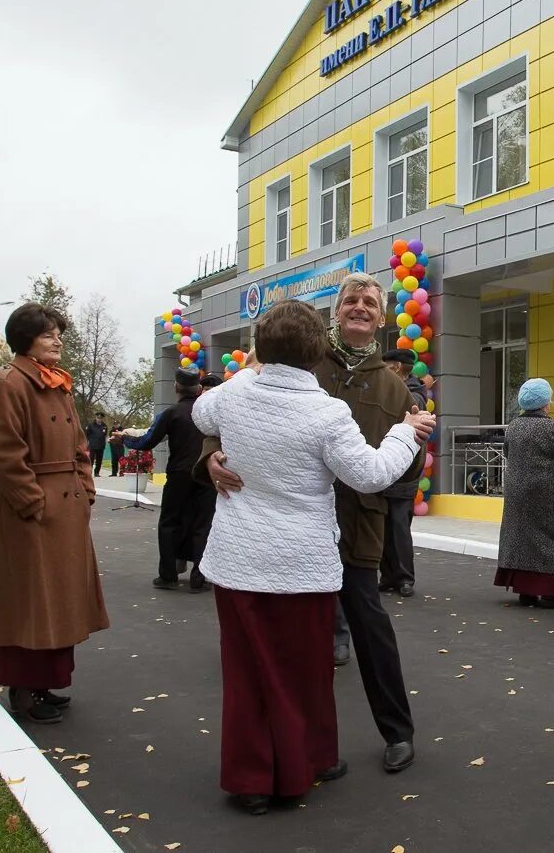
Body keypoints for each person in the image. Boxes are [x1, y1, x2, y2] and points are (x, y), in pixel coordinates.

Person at [192, 300, 433, 814]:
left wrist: (231, 413)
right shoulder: (325, 412)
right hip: (300, 562)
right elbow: (369, 474)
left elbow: (200, 410)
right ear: (317, 349)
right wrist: (404, 433)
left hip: (237, 558)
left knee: (246, 673)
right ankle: (304, 762)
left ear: (261, 347)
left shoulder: (234, 395)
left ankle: (253, 779)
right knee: (303, 671)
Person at [0, 303, 109, 725]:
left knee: (57, 603)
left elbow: (79, 445)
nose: (58, 340)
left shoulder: (57, 383)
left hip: (65, 508)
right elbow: (2, 449)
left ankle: (46, 682)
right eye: (49, 334)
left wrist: (85, 489)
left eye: (58, 333)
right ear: (26, 339)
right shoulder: (9, 382)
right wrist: (32, 501)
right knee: (30, 601)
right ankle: (23, 690)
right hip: (30, 513)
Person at [124, 370, 215, 592]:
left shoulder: (172, 413)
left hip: (179, 474)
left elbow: (147, 441)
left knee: (169, 523)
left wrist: (125, 439)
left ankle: (168, 574)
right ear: (199, 389)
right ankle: (199, 577)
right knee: (203, 524)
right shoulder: (211, 413)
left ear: (176, 387)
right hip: (206, 473)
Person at [495, 378, 554, 610]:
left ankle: (526, 592)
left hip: (516, 489)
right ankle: (552, 594)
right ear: (545, 402)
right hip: (546, 490)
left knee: (522, 536)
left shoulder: (514, 426)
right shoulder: (551, 427)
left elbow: (508, 453)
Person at [379, 349, 426, 597]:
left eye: (386, 367)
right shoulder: (393, 390)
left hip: (404, 472)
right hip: (386, 467)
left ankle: (405, 578)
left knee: (398, 526)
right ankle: (388, 576)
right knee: (384, 526)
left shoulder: (413, 394)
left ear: (396, 367)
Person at [86, 412, 108, 477]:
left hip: (101, 445)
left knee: (99, 460)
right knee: (91, 459)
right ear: (96, 418)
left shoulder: (104, 426)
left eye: (100, 418)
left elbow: (105, 435)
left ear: (102, 419)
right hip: (93, 445)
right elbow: (87, 434)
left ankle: (97, 473)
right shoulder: (91, 425)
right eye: (98, 418)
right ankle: (89, 472)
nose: (99, 419)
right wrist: (89, 441)